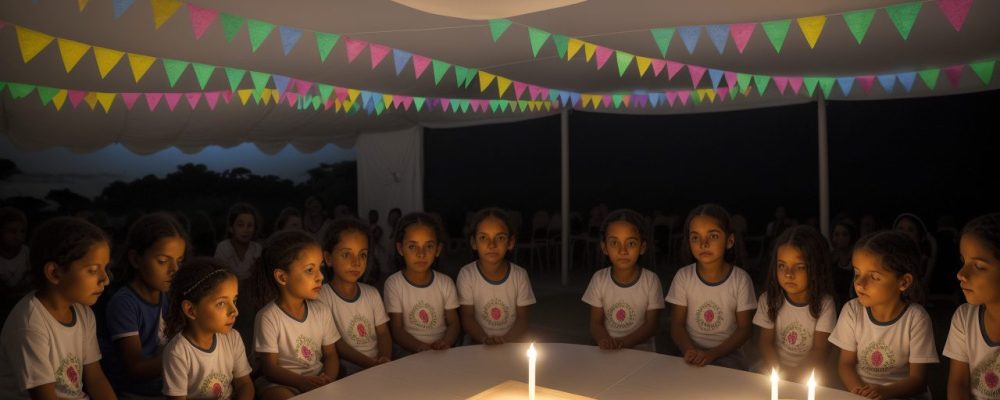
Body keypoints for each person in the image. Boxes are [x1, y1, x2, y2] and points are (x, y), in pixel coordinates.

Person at [0, 217, 116, 399]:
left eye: (105, 268)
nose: (106, 279)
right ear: (54, 273)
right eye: (93, 270)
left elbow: (96, 379)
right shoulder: (30, 325)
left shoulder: (83, 313)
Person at [829, 231, 938, 399]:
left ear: (904, 282)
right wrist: (861, 393)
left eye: (874, 277)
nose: (859, 283)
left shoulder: (916, 319)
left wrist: (882, 393)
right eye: (857, 273)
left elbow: (918, 380)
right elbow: (846, 364)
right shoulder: (852, 311)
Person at [100, 213, 187, 399]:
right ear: (136, 259)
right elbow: (136, 369)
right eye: (163, 261)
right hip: (135, 394)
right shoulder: (124, 303)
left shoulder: (169, 298)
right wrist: (187, 355)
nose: (174, 270)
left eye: (179, 261)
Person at [251, 231, 339, 399]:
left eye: (320, 268)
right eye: (309, 270)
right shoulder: (268, 317)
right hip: (282, 383)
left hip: (318, 378)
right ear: (282, 277)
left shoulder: (322, 311)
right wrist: (301, 382)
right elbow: (269, 368)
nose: (320, 277)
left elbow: (331, 355)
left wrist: (327, 379)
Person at [667, 204, 756, 370]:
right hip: (690, 352)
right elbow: (677, 325)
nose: (703, 243)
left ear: (729, 241)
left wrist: (712, 354)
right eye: (695, 237)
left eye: (713, 236)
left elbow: (745, 329)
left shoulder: (740, 280)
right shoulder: (683, 277)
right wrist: (690, 351)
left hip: (729, 355)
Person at [754, 225, 837, 381]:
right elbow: (765, 344)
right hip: (774, 370)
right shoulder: (769, 299)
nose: (788, 274)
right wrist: (779, 373)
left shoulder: (825, 304)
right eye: (782, 265)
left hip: (810, 374)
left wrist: (795, 376)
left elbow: (820, 350)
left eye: (799, 267)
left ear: (815, 268)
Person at [162, 258, 253, 400]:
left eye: (234, 300)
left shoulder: (232, 338)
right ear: (191, 310)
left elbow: (244, 384)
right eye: (221, 303)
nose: (234, 311)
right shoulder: (178, 353)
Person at [317, 218, 392, 375]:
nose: (356, 262)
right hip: (345, 373)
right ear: (328, 258)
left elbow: (383, 333)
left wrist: (384, 359)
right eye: (346, 254)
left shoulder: (372, 294)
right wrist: (370, 364)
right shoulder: (322, 296)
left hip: (378, 367)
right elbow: (335, 344)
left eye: (362, 255)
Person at [582, 209, 662, 351]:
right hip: (609, 352)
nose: (622, 250)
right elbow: (595, 323)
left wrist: (621, 344)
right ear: (604, 247)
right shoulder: (599, 279)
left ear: (642, 247)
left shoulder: (650, 281)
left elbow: (651, 326)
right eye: (614, 243)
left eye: (630, 243)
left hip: (642, 354)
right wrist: (605, 341)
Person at [383, 213, 460, 355]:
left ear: (438, 250)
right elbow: (397, 328)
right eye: (412, 247)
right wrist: (420, 347)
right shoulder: (394, 284)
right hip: (408, 356)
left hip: (442, 354)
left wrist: (445, 343)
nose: (421, 254)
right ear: (400, 249)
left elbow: (453, 323)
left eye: (429, 246)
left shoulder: (445, 283)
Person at [458, 208, 536, 345]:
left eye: (500, 238)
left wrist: (504, 341)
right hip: (477, 345)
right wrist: (485, 339)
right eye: (483, 238)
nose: (491, 245)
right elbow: (467, 318)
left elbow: (522, 320)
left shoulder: (519, 276)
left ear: (510, 242)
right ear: (474, 243)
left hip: (512, 343)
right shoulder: (467, 274)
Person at [944, 213, 1000, 399]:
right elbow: (958, 384)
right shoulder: (964, 318)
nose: (961, 274)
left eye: (979, 266)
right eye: (964, 261)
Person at [214, 203, 262, 281]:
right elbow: (220, 277)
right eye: (240, 225)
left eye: (249, 225)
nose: (245, 230)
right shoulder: (223, 248)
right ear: (231, 228)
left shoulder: (257, 249)